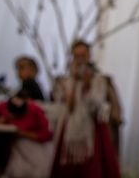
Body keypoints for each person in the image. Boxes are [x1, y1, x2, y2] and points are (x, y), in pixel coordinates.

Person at [50, 40, 120, 178]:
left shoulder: (99, 80)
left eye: (83, 55)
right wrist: (75, 84)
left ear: (89, 56)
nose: (80, 59)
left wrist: (87, 86)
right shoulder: (65, 81)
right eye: (77, 56)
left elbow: (96, 105)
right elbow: (63, 106)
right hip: (69, 130)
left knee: (92, 168)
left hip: (92, 129)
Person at [0, 91, 53, 178]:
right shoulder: (4, 105)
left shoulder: (35, 110)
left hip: (30, 144)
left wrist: (23, 134)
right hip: (6, 144)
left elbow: (47, 134)